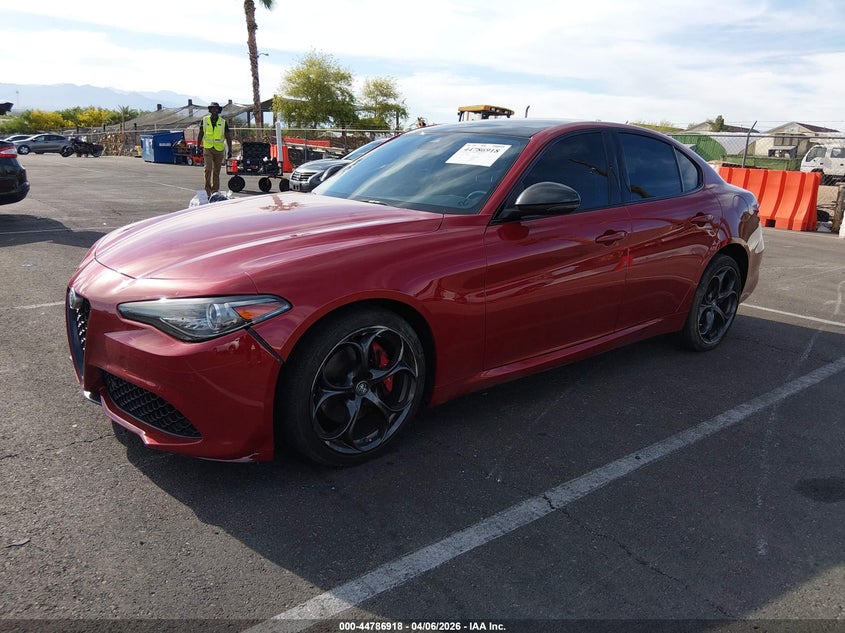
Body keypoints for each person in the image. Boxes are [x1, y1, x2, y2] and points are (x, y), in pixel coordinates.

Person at [197, 102, 233, 197]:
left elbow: (228, 137)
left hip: (219, 149)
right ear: (210, 110)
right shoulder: (205, 120)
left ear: (218, 110)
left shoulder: (223, 122)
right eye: (212, 108)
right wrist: (197, 147)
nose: (214, 110)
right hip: (208, 148)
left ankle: (215, 191)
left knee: (216, 171)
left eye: (216, 108)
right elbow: (200, 134)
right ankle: (207, 191)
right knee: (208, 169)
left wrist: (230, 150)